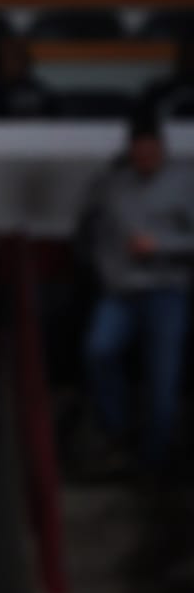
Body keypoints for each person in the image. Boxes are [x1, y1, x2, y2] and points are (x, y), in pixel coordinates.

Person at [82, 116, 194, 474]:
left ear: (162, 148)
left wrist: (162, 245)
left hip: (168, 289)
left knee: (163, 376)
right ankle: (118, 430)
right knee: (98, 350)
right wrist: (107, 272)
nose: (145, 158)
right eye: (138, 152)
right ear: (130, 150)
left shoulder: (184, 181)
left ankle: (154, 459)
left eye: (151, 152)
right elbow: (100, 235)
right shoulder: (114, 185)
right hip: (121, 290)